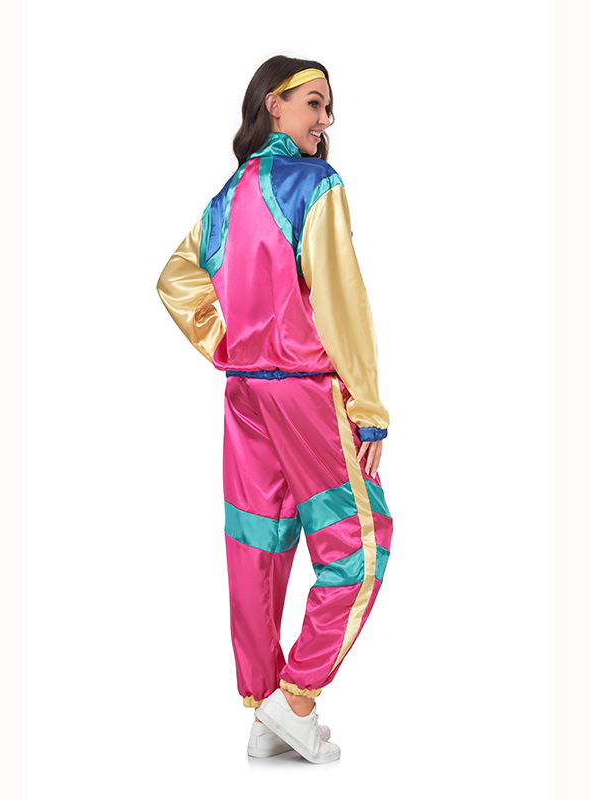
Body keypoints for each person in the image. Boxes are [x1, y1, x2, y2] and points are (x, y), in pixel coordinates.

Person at [156, 55, 394, 765]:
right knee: (360, 543)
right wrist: (368, 403)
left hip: (246, 394)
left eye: (328, 106)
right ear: (274, 104)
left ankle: (263, 711)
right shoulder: (315, 184)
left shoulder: (230, 195)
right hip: (304, 391)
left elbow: (176, 277)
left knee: (258, 542)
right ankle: (296, 700)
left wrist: (230, 343)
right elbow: (340, 297)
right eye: (314, 103)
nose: (326, 119)